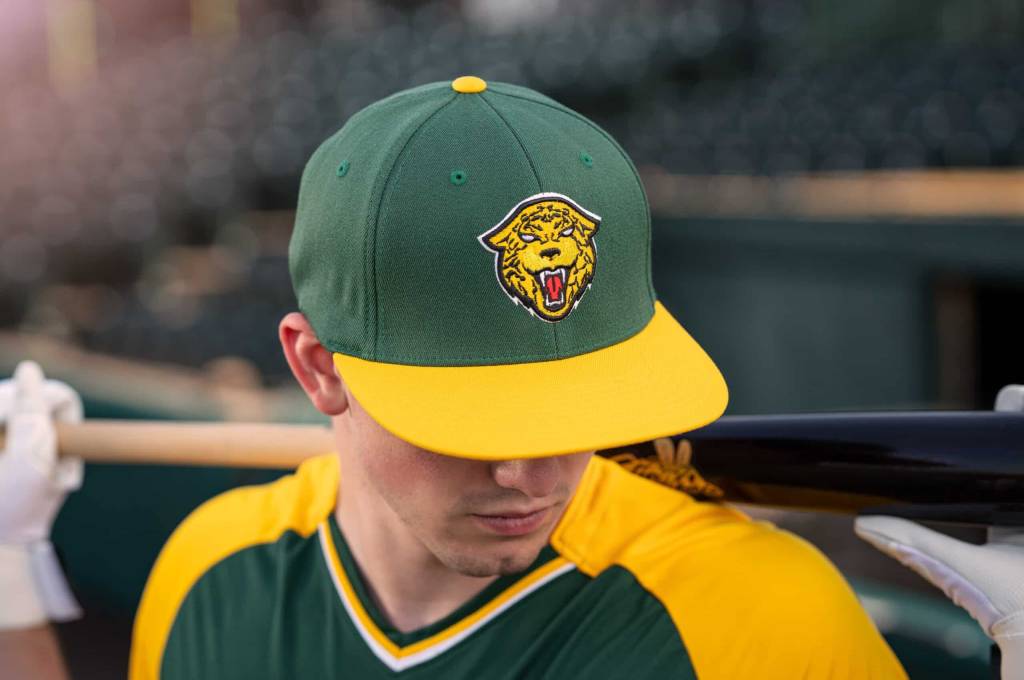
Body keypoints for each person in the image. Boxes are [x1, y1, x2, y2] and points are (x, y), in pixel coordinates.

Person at [0, 75, 992, 679]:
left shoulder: (762, 621)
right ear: (317, 366)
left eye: (576, 406)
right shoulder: (209, 574)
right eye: (473, 420)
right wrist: (8, 576)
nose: (531, 473)